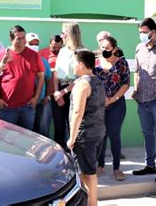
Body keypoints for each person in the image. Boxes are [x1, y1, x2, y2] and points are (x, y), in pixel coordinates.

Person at [132, 17, 156, 183]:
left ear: (154, 32)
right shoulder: (139, 48)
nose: (142, 35)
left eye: (145, 32)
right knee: (147, 134)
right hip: (142, 99)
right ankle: (150, 165)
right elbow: (137, 71)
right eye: (140, 32)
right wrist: (135, 89)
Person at [67, 49, 105, 206]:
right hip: (97, 132)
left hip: (85, 135)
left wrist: (72, 138)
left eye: (74, 63)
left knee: (88, 172)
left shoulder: (82, 84)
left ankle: (92, 203)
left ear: (81, 64)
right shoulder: (97, 81)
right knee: (87, 170)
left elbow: (77, 112)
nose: (73, 66)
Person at [0, 25, 45, 130]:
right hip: (7, 107)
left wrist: (36, 97)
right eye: (18, 38)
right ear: (11, 39)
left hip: (28, 107)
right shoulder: (2, 55)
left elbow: (41, 76)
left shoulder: (34, 55)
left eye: (23, 37)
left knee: (27, 139)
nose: (22, 41)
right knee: (7, 139)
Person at [94, 36, 130, 181]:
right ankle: (100, 165)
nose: (104, 50)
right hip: (99, 105)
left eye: (108, 48)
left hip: (116, 104)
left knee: (114, 135)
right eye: (102, 47)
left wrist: (113, 98)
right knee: (101, 135)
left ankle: (117, 168)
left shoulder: (121, 63)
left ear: (114, 49)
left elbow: (125, 84)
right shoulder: (96, 62)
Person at [53, 22, 84, 149]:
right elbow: (56, 72)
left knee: (73, 125)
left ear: (70, 34)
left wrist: (64, 92)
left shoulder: (82, 52)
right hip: (59, 91)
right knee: (58, 127)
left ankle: (74, 157)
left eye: (63, 33)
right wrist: (56, 92)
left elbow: (81, 78)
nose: (61, 36)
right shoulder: (62, 51)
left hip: (73, 91)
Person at [26, 32, 54, 137]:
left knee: (36, 127)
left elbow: (48, 80)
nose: (34, 46)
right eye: (31, 43)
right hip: (23, 102)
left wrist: (47, 96)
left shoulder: (43, 61)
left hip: (39, 102)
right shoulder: (21, 59)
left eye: (36, 43)